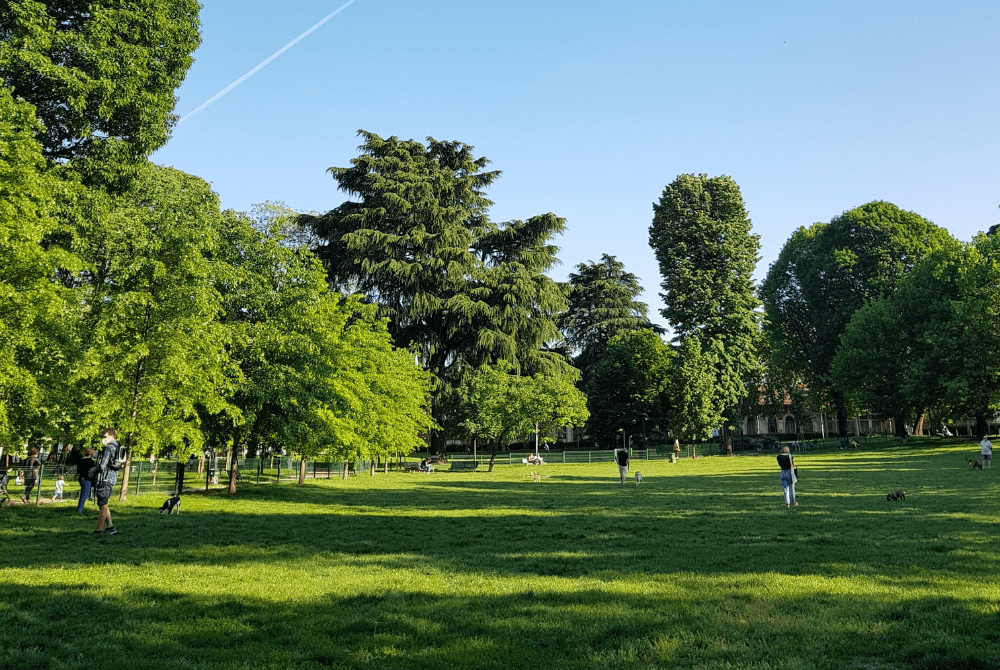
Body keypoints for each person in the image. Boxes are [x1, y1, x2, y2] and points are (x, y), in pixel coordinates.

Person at [89, 428, 121, 536]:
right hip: (113, 478)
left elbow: (103, 465)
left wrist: (93, 470)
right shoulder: (118, 447)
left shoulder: (109, 448)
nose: (103, 439)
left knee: (102, 504)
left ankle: (98, 530)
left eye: (105, 437)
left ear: (111, 437)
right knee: (104, 503)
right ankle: (110, 527)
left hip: (105, 478)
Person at [76, 447, 96, 514]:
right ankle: (79, 510)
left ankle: (80, 509)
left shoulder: (80, 460)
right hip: (87, 478)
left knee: (84, 493)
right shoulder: (90, 462)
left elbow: (78, 470)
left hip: (81, 478)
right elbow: (93, 471)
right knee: (84, 494)